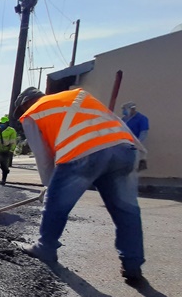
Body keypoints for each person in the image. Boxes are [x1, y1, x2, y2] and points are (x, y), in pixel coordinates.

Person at [13, 86, 145, 283]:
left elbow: (43, 156)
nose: (23, 114)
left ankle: (45, 247)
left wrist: (51, 186)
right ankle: (132, 264)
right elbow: (117, 122)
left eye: (21, 110)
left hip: (84, 152)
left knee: (56, 205)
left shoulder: (33, 112)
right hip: (123, 150)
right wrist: (140, 151)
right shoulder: (80, 94)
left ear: (26, 103)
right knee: (126, 211)